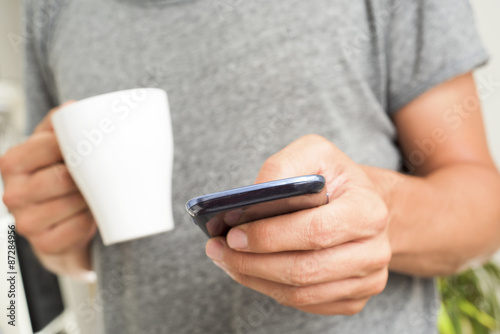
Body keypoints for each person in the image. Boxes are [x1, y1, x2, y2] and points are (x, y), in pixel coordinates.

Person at [1, 0, 500, 333]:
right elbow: (75, 257)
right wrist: (55, 235)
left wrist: (384, 213)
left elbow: (484, 205)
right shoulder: (51, 9)